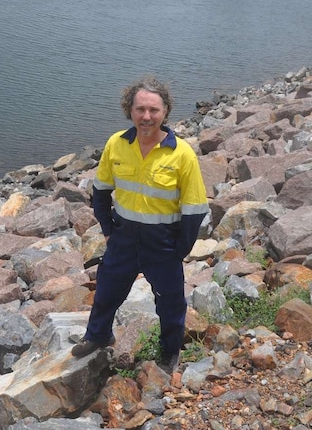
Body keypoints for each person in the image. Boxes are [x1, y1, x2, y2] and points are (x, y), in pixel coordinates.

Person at [71, 76, 210, 374]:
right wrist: (109, 231)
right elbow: (101, 192)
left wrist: (179, 250)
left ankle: (170, 352)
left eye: (154, 110)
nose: (146, 117)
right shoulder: (116, 144)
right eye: (140, 109)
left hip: (163, 243)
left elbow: (195, 209)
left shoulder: (181, 153)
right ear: (129, 110)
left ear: (165, 112)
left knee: (170, 303)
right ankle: (98, 336)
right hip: (123, 238)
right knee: (107, 290)